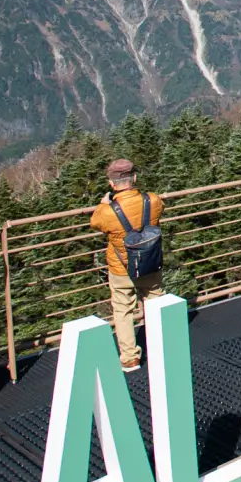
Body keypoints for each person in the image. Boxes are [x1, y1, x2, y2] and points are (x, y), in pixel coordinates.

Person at [88, 158, 166, 372]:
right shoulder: (152, 200)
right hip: (150, 262)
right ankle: (163, 347)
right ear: (134, 178)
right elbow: (159, 213)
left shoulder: (107, 211)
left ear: (112, 184)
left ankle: (130, 358)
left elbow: (95, 223)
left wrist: (103, 204)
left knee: (123, 310)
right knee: (156, 301)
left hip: (121, 268)